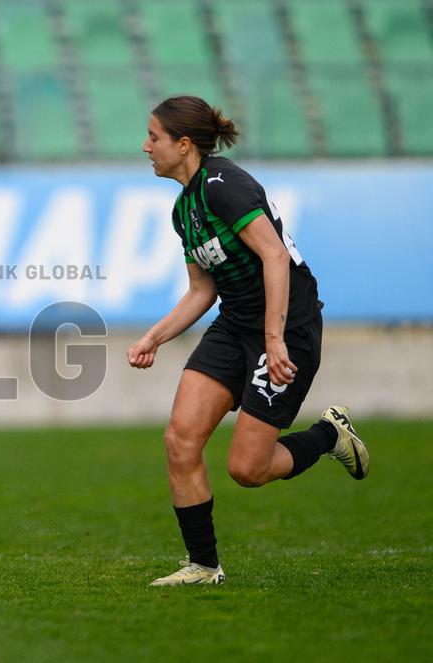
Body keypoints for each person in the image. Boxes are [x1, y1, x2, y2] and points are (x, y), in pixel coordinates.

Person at [128, 95, 370, 586]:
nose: (145, 146)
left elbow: (275, 257)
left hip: (288, 329)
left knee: (248, 469)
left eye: (154, 137)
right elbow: (202, 289)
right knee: (180, 439)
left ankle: (329, 435)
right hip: (234, 325)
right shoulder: (185, 210)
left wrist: (275, 339)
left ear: (183, 143)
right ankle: (203, 566)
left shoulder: (225, 186)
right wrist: (155, 336)